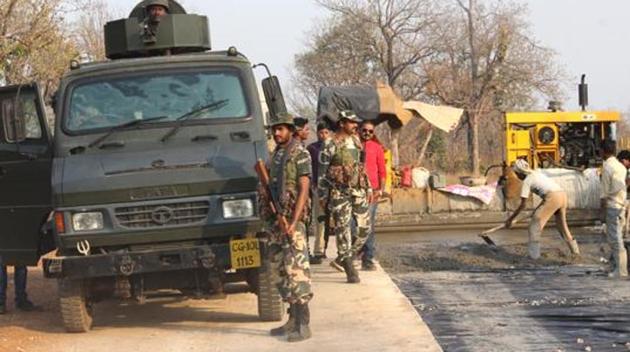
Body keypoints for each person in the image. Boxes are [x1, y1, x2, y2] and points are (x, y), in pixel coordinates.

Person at [259, 112, 313, 342]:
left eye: (281, 129)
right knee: (279, 270)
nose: (276, 133)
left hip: (292, 220)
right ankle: (291, 319)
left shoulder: (300, 153)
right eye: (274, 129)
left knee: (296, 270)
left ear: (290, 130)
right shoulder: (277, 154)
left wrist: (293, 222)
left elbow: (303, 189)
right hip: (275, 222)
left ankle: (303, 323)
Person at [318, 110, 372, 283]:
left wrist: (368, 188)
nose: (355, 125)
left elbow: (361, 167)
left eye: (356, 122)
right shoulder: (330, 144)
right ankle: (349, 266)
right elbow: (322, 171)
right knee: (343, 229)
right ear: (342, 123)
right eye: (351, 122)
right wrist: (322, 195)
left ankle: (344, 256)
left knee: (364, 229)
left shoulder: (356, 141)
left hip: (358, 190)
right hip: (338, 191)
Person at [505, 159, 580, 259]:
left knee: (534, 227)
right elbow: (547, 193)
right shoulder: (536, 173)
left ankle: (534, 257)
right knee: (562, 227)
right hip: (562, 195)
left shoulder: (527, 181)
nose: (517, 176)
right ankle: (576, 253)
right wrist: (538, 209)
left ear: (520, 173)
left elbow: (523, 205)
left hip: (553, 198)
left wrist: (510, 219)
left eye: (517, 174)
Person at [359, 121, 386, 271]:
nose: (367, 133)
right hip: (356, 190)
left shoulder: (377, 148)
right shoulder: (354, 145)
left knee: (368, 224)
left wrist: (380, 190)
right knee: (354, 224)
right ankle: (353, 253)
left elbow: (382, 171)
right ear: (360, 130)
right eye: (365, 130)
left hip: (373, 191)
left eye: (370, 131)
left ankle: (367, 258)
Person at [600, 140, 628, 277]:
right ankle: (616, 266)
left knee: (615, 239)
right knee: (617, 237)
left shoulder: (607, 167)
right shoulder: (621, 167)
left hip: (613, 206)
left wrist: (601, 212)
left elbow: (604, 192)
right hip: (621, 205)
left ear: (603, 151)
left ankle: (621, 271)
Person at [307, 122, 332, 264]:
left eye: (326, 132)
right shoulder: (312, 149)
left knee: (336, 221)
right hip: (318, 189)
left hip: (334, 190)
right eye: (321, 133)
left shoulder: (335, 147)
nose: (323, 135)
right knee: (320, 220)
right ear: (317, 133)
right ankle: (319, 250)